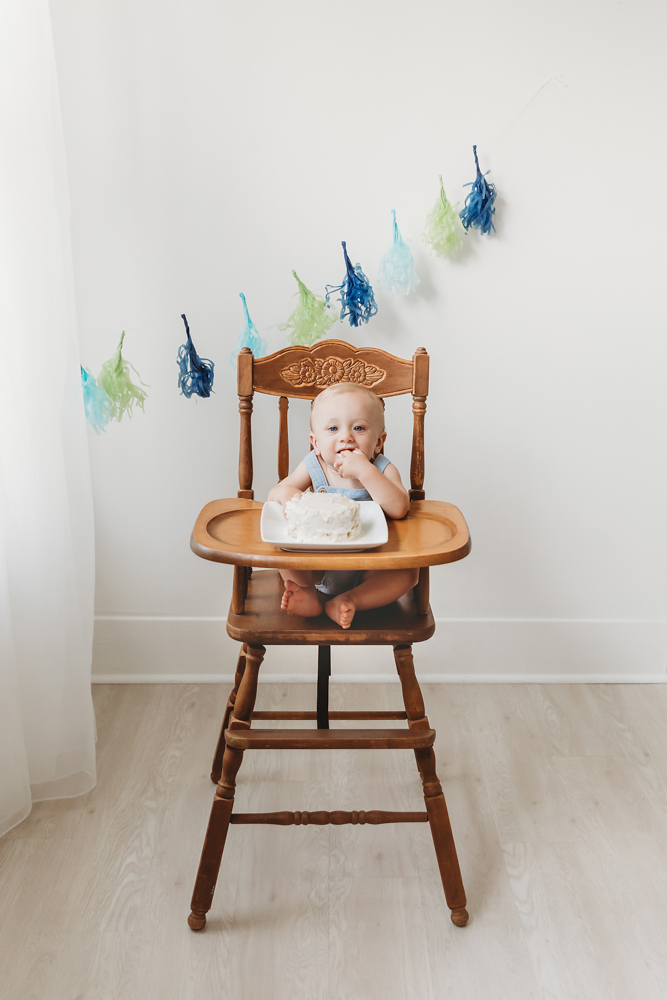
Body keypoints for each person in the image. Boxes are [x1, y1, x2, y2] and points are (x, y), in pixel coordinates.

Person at [267, 382, 418, 629]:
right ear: (315, 442)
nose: (346, 436)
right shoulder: (313, 466)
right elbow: (276, 492)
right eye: (333, 428)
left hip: (369, 568)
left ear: (379, 441)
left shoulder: (382, 469)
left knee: (409, 573)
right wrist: (292, 497)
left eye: (358, 428)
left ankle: (350, 600)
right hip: (315, 564)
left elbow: (399, 507)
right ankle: (308, 595)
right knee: (280, 553)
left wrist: (366, 472)